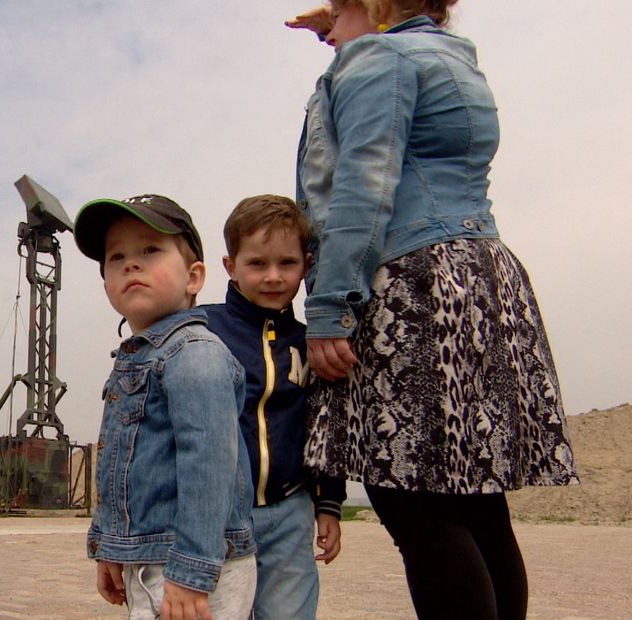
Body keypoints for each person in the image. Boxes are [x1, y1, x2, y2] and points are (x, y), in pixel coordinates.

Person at [289, 2, 578, 619]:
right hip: (479, 278)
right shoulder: (447, 59)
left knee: (414, 505)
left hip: (410, 285)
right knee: (475, 501)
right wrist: (351, 22)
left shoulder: (379, 58)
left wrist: (331, 306)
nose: (329, 27)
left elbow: (364, 182)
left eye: (339, 8)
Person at [74, 195, 256, 620]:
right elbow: (123, 466)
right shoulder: (140, 357)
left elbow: (209, 467)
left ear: (194, 277)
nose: (130, 264)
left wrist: (193, 571)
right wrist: (110, 546)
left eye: (149, 250)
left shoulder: (194, 353)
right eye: (115, 256)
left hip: (195, 563)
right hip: (154, 557)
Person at [202, 195, 346, 620]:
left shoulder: (312, 342)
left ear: (306, 263)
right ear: (230, 266)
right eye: (257, 264)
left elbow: (326, 425)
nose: (273, 277)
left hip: (289, 511)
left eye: (287, 264)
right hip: (219, 516)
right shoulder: (201, 330)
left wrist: (329, 504)